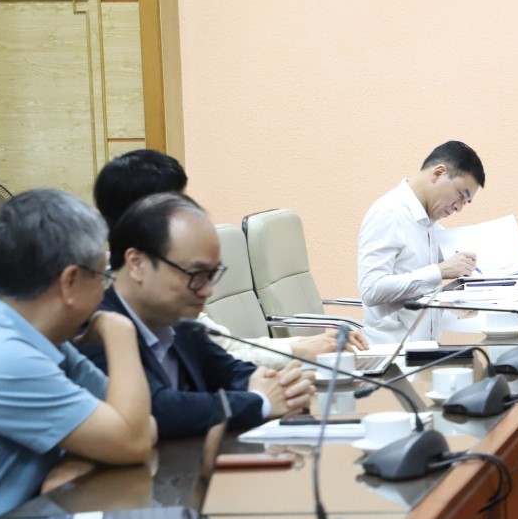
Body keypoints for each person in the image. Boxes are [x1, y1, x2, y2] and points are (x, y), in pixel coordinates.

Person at [0, 190, 154, 519]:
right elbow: (134, 439)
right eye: (103, 277)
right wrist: (119, 330)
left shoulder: (34, 339)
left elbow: (143, 425)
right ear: (70, 281)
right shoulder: (4, 359)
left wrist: (79, 458)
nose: (106, 291)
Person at [94, 149, 366, 363]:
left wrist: (307, 345)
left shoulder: (169, 294)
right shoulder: (112, 313)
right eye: (176, 206)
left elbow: (225, 351)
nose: (206, 290)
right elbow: (215, 364)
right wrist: (299, 351)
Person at [82, 193, 314, 439]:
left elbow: (228, 372)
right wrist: (260, 401)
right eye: (196, 275)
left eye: (212, 275)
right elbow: (155, 409)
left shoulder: (178, 321)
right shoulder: (95, 328)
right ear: (137, 264)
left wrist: (282, 387)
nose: (207, 290)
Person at [358, 141, 485, 343]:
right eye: (460, 195)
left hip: (427, 348)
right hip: (392, 353)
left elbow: (471, 263)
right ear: (438, 174)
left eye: (465, 202)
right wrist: (440, 271)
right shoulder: (389, 213)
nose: (459, 207)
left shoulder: (430, 223)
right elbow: (371, 289)